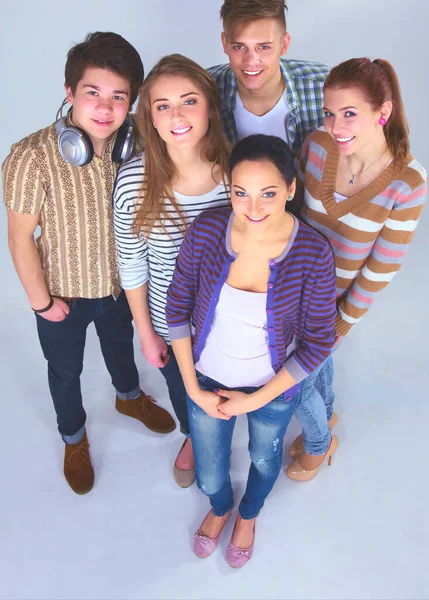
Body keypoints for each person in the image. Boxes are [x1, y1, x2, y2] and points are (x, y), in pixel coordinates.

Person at [1, 32, 176, 496]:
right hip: (63, 296)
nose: (105, 107)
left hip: (120, 289)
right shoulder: (29, 155)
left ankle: (128, 398)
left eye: (119, 97)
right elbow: (20, 238)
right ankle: (73, 438)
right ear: (69, 93)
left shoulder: (136, 146)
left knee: (122, 352)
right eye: (92, 93)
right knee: (65, 372)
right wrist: (42, 304)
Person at [165, 134, 338, 567]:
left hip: (272, 390)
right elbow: (175, 308)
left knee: (264, 460)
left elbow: (318, 342)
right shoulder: (207, 230)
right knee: (209, 470)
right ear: (229, 188)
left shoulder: (313, 253)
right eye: (241, 193)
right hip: (206, 382)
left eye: (269, 194)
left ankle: (248, 514)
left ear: (291, 189)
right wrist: (193, 388)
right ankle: (220, 506)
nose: (253, 207)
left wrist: (257, 399)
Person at [287, 57, 427, 481]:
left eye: (350, 114)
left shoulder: (408, 183)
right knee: (312, 368)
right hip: (288, 287)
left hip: (332, 303)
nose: (336, 125)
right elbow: (288, 209)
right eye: (330, 113)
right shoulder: (316, 145)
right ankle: (327, 417)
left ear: (382, 113)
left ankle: (319, 442)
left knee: (291, 383)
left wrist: (341, 322)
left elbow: (381, 268)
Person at [113, 54, 230, 488]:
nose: (176, 115)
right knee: (185, 393)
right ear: (150, 120)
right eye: (162, 106)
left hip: (230, 326)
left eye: (188, 101)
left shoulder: (239, 173)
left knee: (227, 395)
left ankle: (221, 435)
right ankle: (192, 435)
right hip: (169, 323)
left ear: (210, 109)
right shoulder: (132, 182)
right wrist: (146, 332)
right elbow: (132, 263)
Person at [207, 0, 328, 153]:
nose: (251, 61)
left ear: (284, 44)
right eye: (239, 47)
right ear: (225, 44)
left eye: (264, 47)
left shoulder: (324, 86)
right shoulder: (204, 90)